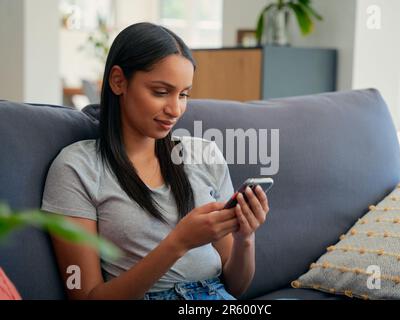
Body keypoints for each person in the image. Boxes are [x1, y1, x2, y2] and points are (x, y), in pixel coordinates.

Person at [41, 22, 269, 300]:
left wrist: (246, 238)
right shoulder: (76, 168)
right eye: (161, 92)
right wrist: (179, 242)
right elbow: (83, 295)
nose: (175, 109)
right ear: (118, 81)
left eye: (183, 94)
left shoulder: (204, 155)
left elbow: (236, 287)